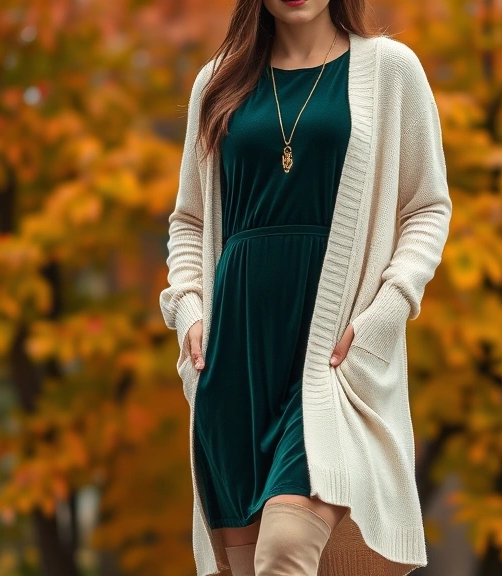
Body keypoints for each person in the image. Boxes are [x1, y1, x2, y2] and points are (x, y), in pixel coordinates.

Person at [159, 0, 452, 574]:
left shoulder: (391, 70)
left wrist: (388, 309)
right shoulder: (217, 83)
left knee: (285, 548)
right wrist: (189, 307)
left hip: (330, 359)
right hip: (235, 362)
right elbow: (188, 220)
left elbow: (427, 207)